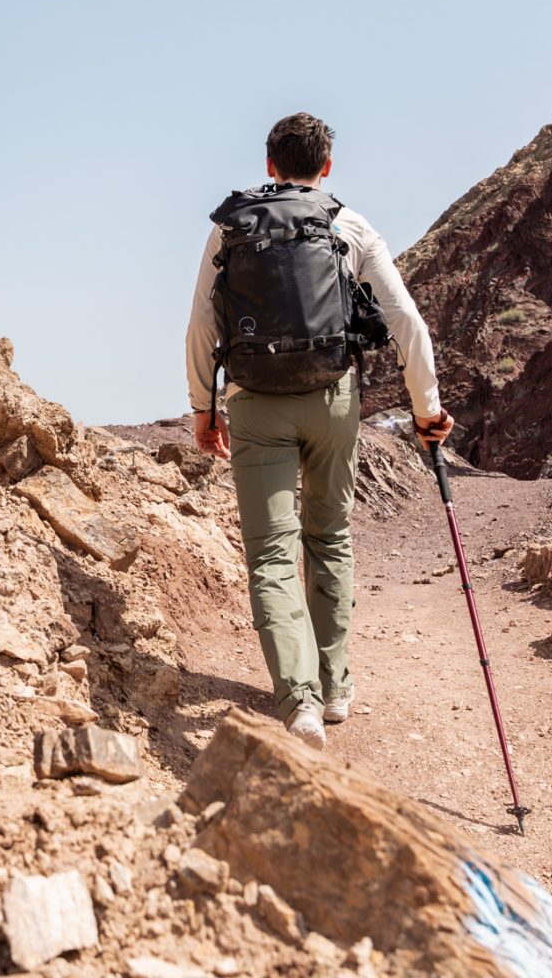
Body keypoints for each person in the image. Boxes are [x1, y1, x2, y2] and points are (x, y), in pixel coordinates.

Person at [184, 112, 453, 749]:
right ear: (326, 167)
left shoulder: (231, 224)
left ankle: (298, 703)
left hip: (255, 404)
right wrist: (426, 409)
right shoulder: (347, 223)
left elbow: (200, 325)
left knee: (271, 553)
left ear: (269, 163)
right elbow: (407, 322)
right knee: (329, 536)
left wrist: (204, 406)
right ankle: (335, 690)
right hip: (333, 403)